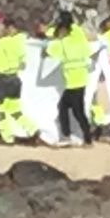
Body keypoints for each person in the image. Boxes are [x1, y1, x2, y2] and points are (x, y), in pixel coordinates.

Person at [46, 12, 94, 147]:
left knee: (71, 110)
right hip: (81, 78)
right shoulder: (77, 34)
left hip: (72, 81)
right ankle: (84, 138)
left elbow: (49, 49)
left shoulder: (62, 42)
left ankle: (70, 137)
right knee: (74, 110)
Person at [0, 15, 38, 145]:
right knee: (14, 109)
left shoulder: (0, 45)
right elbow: (22, 58)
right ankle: (31, 128)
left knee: (0, 108)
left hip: (4, 78)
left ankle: (7, 135)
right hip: (15, 78)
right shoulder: (16, 42)